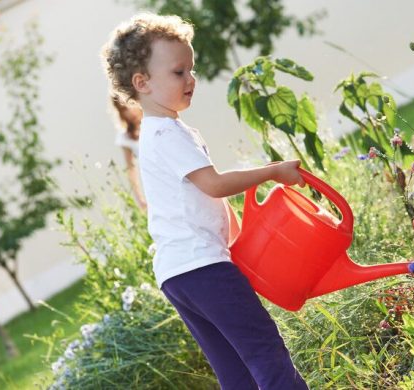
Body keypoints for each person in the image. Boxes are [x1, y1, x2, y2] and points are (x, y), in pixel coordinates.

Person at [101, 13, 309, 389]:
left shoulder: (157, 133)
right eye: (179, 72)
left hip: (178, 274)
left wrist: (241, 242)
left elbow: (203, 197)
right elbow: (213, 185)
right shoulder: (168, 134)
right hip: (204, 268)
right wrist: (273, 171)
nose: (191, 80)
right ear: (142, 82)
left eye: (191, 70)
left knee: (236, 371)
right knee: (265, 352)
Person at [110, 94, 147, 210]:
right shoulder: (125, 138)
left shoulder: (155, 120)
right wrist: (140, 198)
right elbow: (131, 169)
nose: (130, 111)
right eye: (124, 109)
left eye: (131, 104)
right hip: (153, 181)